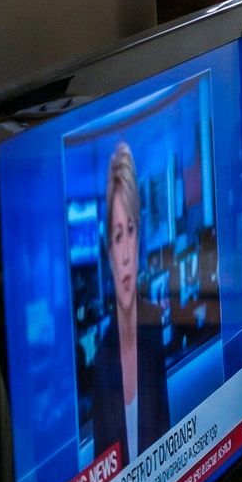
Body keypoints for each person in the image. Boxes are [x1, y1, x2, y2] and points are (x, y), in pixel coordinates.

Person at [91, 142, 170, 463]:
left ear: (140, 240)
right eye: (117, 236)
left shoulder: (154, 325)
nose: (125, 255)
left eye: (131, 231)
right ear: (109, 252)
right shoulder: (102, 358)